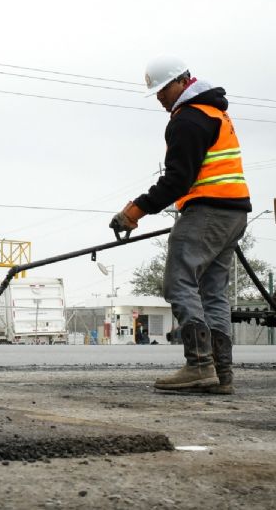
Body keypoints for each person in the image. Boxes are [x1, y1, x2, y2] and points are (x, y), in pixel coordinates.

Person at [110, 56, 250, 394]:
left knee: (178, 283)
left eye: (162, 89)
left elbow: (176, 181)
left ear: (182, 81)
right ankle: (221, 372)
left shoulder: (189, 119)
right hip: (234, 214)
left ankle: (200, 365)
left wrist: (134, 211)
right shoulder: (215, 112)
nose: (159, 97)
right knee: (213, 293)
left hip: (208, 211)